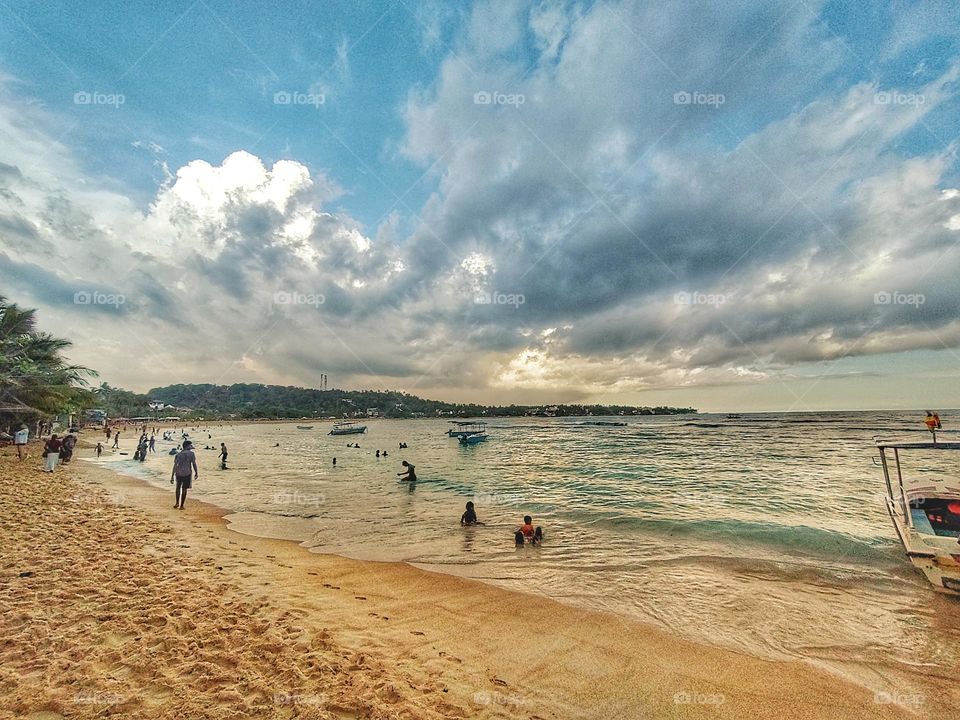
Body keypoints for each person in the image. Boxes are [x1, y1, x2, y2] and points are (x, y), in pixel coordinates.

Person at [170, 440, 198, 510]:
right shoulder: (191, 454)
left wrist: (172, 476)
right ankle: (182, 505)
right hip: (187, 473)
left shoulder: (178, 454)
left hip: (179, 473)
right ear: (188, 446)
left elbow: (175, 465)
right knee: (184, 489)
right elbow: (194, 464)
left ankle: (177, 503)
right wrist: (196, 472)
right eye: (190, 445)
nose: (191, 447)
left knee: (178, 488)